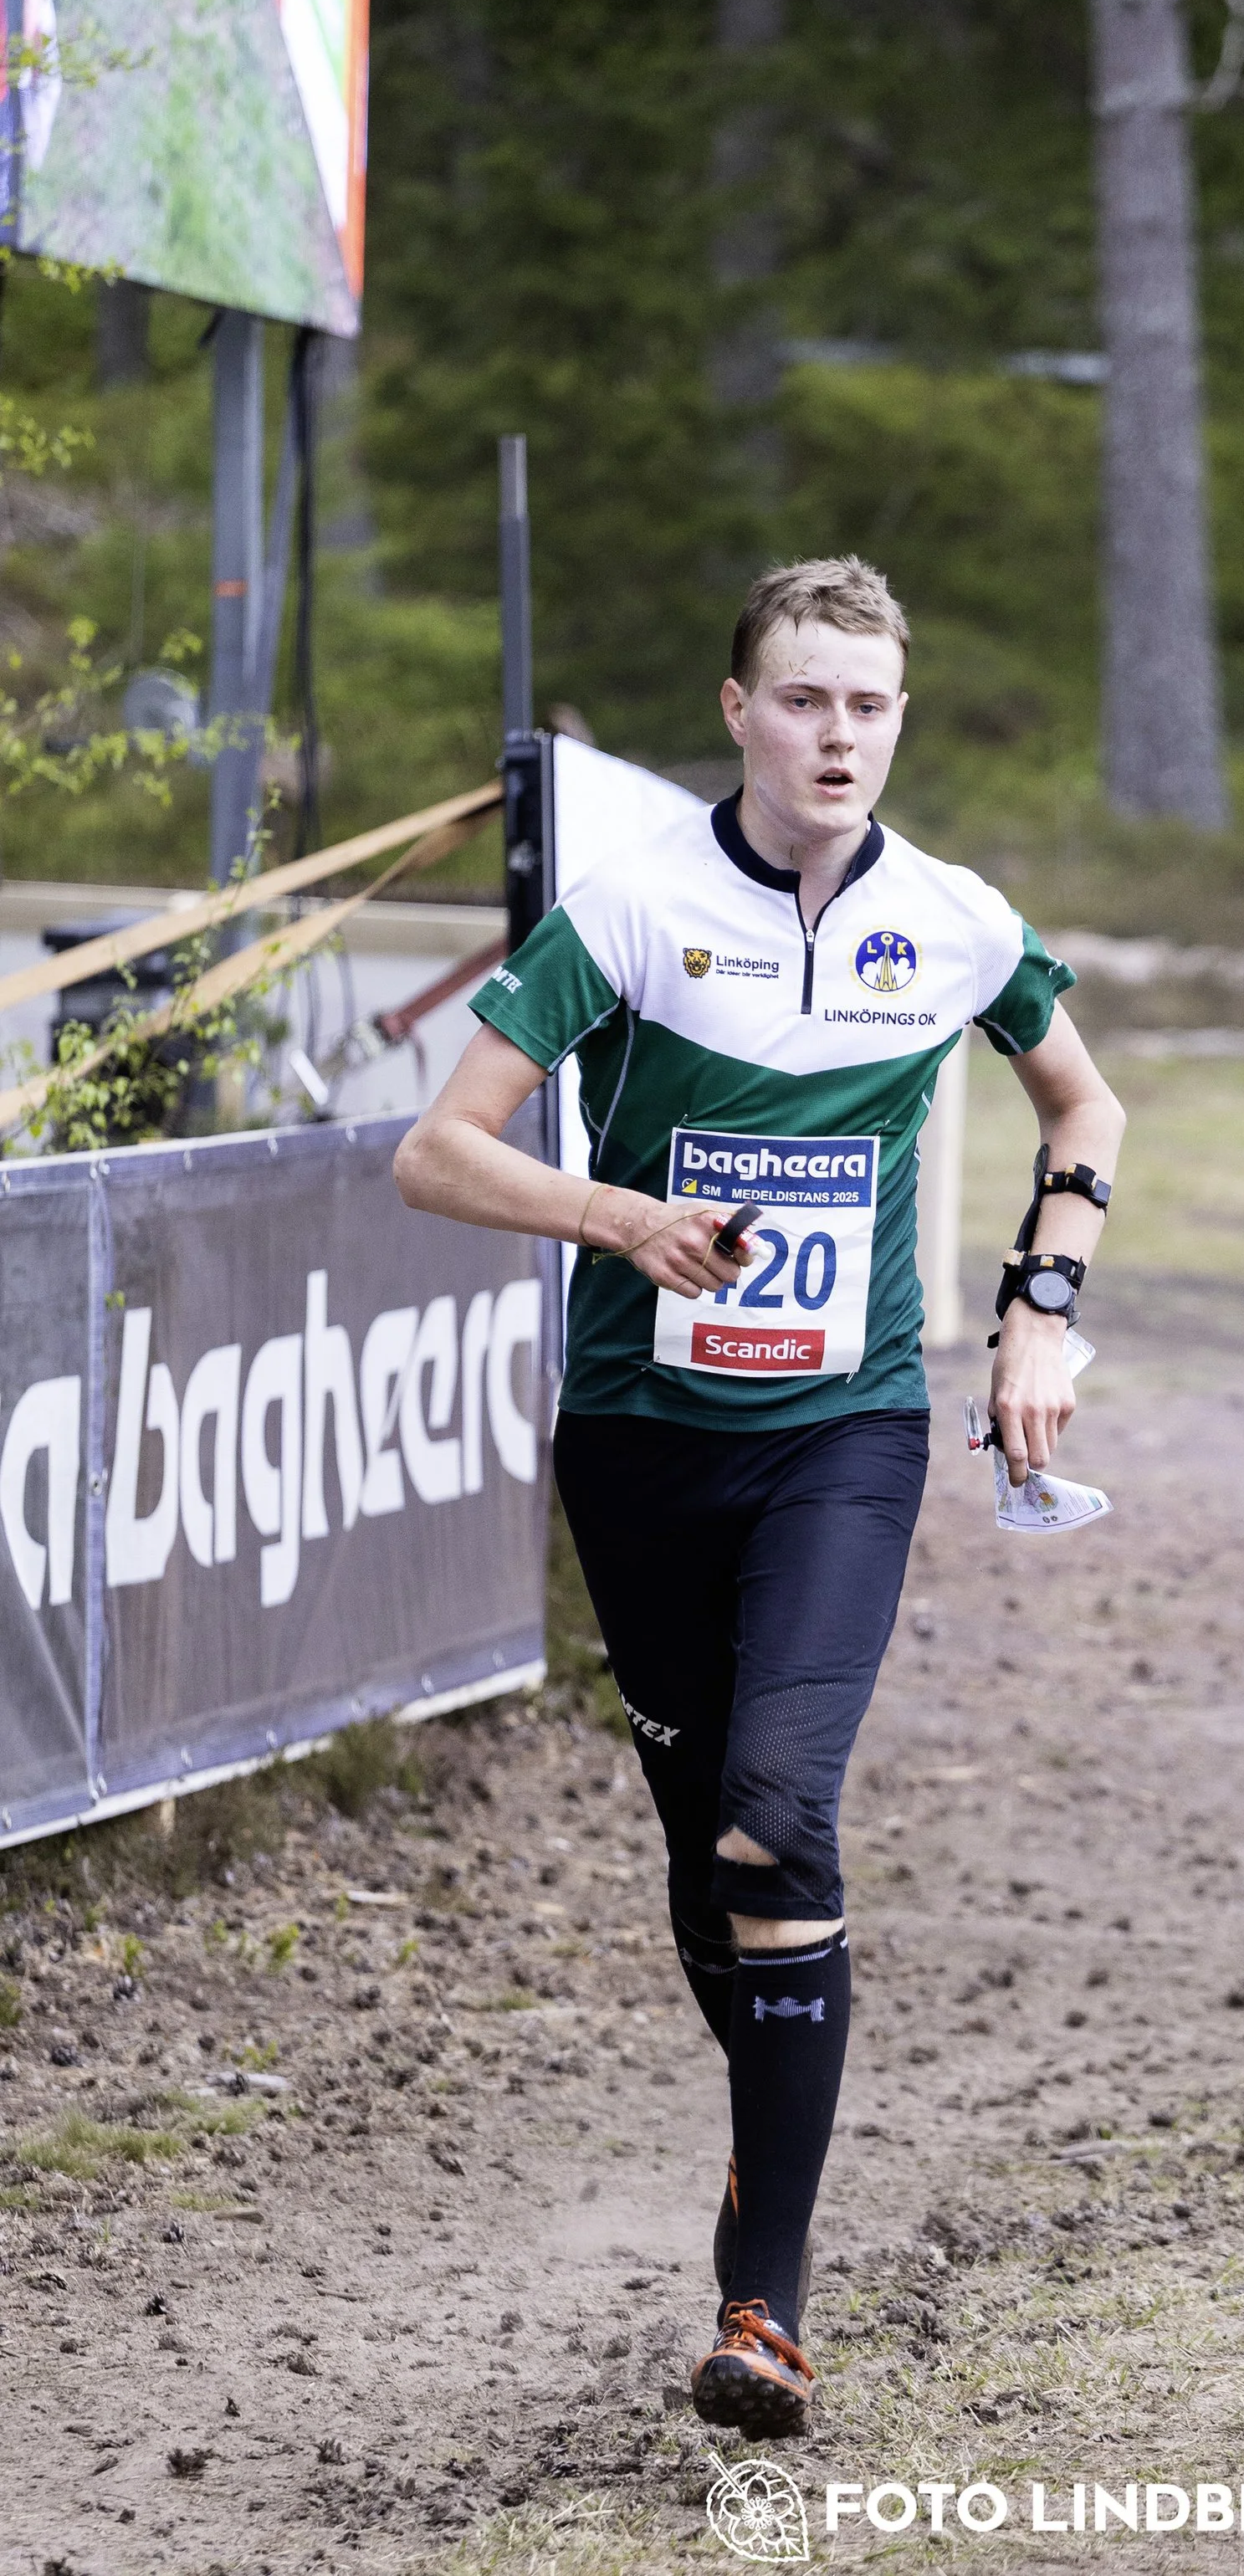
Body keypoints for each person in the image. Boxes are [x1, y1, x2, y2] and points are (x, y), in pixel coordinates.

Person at [395, 556, 1126, 2435]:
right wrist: (619, 1214)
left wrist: (1039, 1311)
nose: (836, 735)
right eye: (802, 698)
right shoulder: (629, 910)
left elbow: (1083, 1108)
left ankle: (764, 2303)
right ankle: (767, 2148)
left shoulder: (956, 923)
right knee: (703, 1866)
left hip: (845, 1433)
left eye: (868, 704)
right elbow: (436, 1149)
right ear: (738, 711)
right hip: (642, 1439)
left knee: (773, 1823)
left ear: (899, 716)